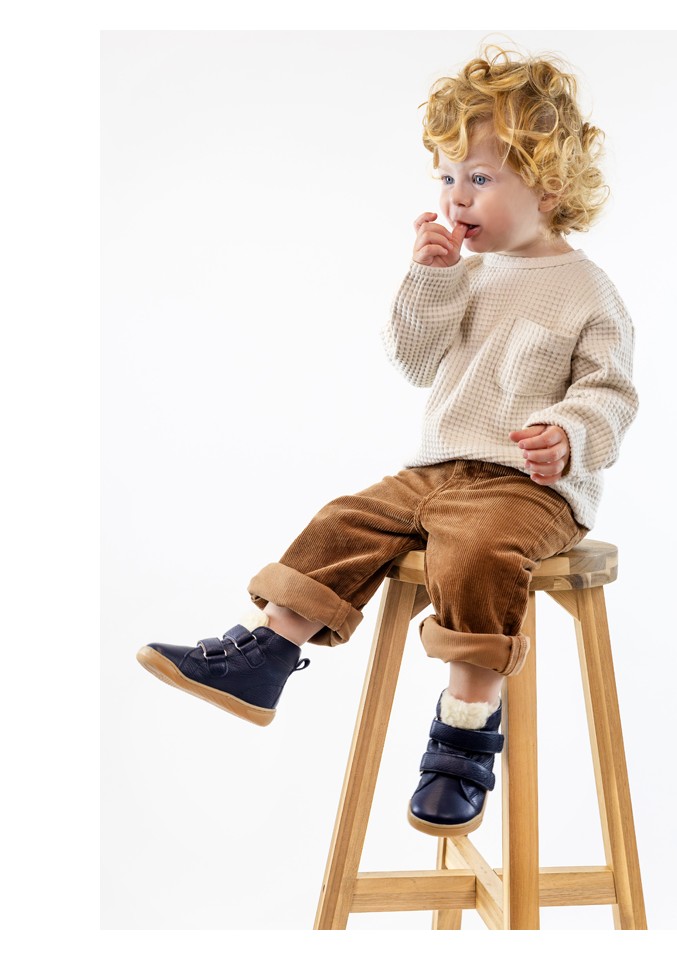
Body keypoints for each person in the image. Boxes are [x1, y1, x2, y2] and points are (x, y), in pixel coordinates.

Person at [137, 45, 638, 838]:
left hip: (528, 487)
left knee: (477, 554)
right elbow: (412, 361)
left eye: (479, 178)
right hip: (436, 469)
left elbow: (610, 393)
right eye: (446, 177)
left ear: (548, 186)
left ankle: (465, 730)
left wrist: (569, 435)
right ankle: (269, 652)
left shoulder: (587, 290)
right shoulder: (463, 273)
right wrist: (429, 278)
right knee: (345, 520)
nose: (455, 196)